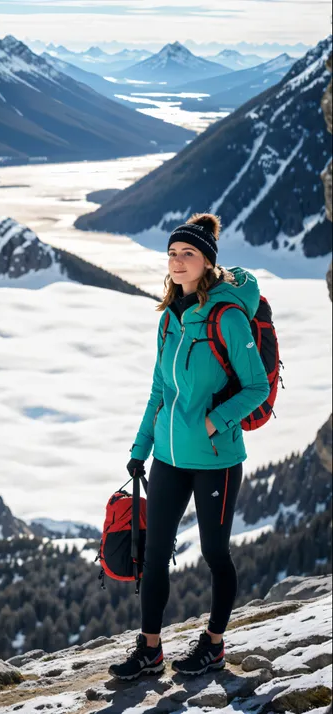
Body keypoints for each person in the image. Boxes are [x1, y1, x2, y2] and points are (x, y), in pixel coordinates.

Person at [108, 212, 270, 681]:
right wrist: (141, 448)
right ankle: (150, 650)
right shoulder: (168, 320)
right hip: (168, 458)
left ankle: (214, 646)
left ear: (207, 262)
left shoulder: (226, 316)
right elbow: (159, 391)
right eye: (173, 254)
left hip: (216, 460)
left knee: (216, 555)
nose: (178, 262)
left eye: (189, 254)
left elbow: (256, 387)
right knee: (154, 555)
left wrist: (215, 421)